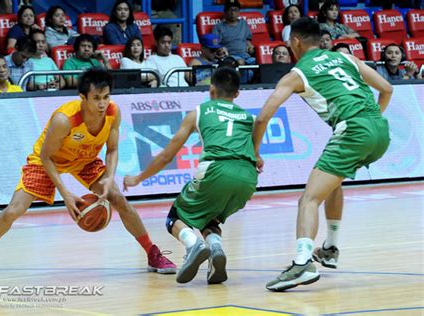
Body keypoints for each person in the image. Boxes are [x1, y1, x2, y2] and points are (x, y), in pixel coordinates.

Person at [0, 68, 176, 275]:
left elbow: (112, 150)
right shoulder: (64, 119)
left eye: (106, 96)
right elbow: (46, 157)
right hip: (48, 162)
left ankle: (152, 252)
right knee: (14, 210)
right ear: (83, 97)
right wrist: (64, 194)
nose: (102, 103)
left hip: (84, 159)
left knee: (119, 199)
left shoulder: (113, 112)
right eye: (96, 98)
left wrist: (110, 177)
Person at [252, 17, 393, 291]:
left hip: (353, 129)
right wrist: (371, 123)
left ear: (295, 42)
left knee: (308, 199)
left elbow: (262, 119)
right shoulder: (346, 58)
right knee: (332, 183)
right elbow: (386, 89)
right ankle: (330, 247)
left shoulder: (297, 74)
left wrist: (255, 152)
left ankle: (303, 262)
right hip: (379, 128)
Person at [124, 67, 258, 284]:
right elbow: (253, 148)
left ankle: (193, 244)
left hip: (217, 169)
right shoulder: (248, 117)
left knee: (174, 218)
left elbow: (167, 155)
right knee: (209, 216)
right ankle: (215, 249)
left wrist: (138, 178)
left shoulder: (199, 112)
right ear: (237, 93)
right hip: (249, 178)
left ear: (211, 89)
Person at [212, 0, 255, 66]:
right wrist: (220, 49)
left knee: (260, 63)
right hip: (230, 57)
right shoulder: (219, 27)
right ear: (225, 12)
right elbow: (214, 45)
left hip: (245, 55)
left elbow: (247, 40)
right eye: (230, 10)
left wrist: (250, 46)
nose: (233, 13)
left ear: (239, 12)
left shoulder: (243, 23)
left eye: (235, 10)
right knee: (240, 62)